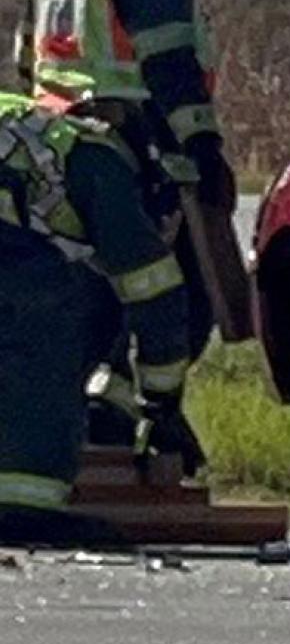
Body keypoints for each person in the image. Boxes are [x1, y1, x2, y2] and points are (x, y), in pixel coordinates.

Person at [14, 0, 245, 443]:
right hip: (126, 140)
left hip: (49, 142)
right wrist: (201, 143)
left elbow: (24, 57)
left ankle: (104, 411)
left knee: (99, 294)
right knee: (179, 298)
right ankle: (132, 417)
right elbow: (169, 62)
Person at [0, 92, 198, 544]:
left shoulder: (35, 130)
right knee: (43, 325)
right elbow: (154, 295)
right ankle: (22, 506)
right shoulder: (103, 164)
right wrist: (163, 406)